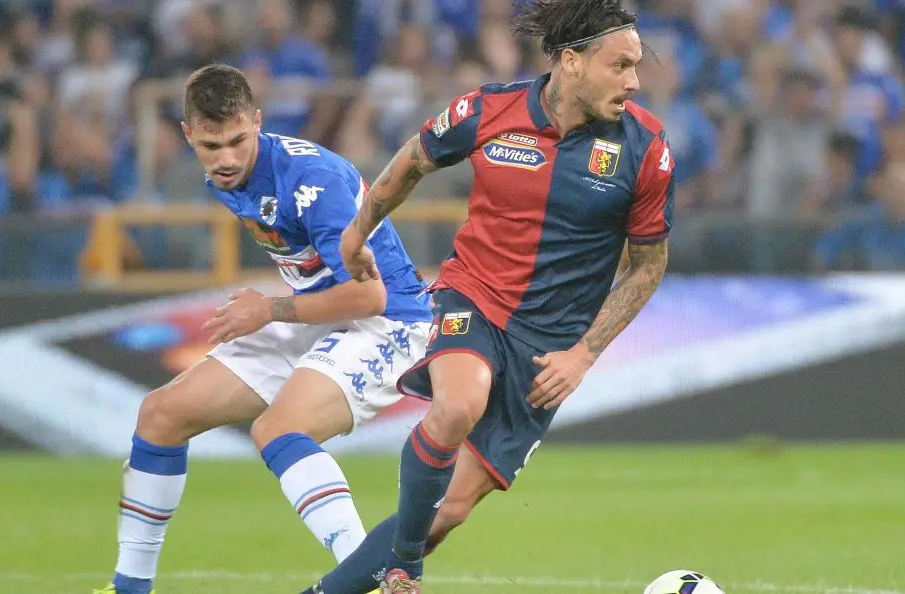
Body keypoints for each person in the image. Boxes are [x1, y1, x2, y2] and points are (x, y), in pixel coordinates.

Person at [301, 0, 675, 592]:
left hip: (546, 353)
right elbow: (415, 159)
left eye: (636, 66)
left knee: (445, 512)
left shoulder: (645, 147)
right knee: (456, 405)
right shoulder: (488, 109)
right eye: (621, 65)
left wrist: (584, 354)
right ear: (572, 62)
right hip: (472, 298)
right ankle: (404, 567)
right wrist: (358, 229)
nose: (634, 81)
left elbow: (648, 266)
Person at [93, 64, 432, 594]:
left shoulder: (312, 181)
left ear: (258, 121)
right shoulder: (228, 173)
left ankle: (372, 577)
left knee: (278, 430)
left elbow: (371, 294)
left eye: (236, 141)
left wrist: (269, 310)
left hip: (388, 321)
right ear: (189, 134)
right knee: (161, 415)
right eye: (210, 145)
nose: (225, 159)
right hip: (319, 311)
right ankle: (129, 588)